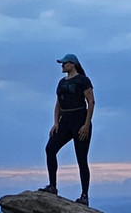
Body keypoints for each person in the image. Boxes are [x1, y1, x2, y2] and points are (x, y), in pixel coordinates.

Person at [38, 53, 94, 206]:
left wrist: (86, 124)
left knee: (81, 159)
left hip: (80, 120)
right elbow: (58, 105)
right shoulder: (61, 83)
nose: (62, 66)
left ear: (73, 64)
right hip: (65, 122)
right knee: (50, 149)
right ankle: (52, 186)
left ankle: (84, 196)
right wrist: (56, 123)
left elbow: (91, 101)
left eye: (64, 63)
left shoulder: (83, 80)